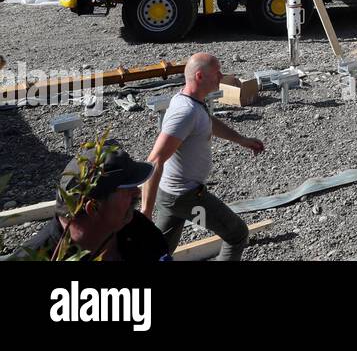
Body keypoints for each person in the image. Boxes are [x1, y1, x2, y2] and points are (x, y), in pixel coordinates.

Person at [141, 52, 264, 261]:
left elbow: (207, 122)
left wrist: (241, 139)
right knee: (237, 234)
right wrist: (145, 213)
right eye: (217, 73)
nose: (222, 76)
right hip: (185, 196)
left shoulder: (192, 102)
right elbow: (155, 160)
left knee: (157, 252)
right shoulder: (185, 112)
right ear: (199, 76)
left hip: (171, 195)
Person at [4, 140, 171, 261]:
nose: (138, 194)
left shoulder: (137, 228)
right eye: (127, 191)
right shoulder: (35, 257)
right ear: (93, 207)